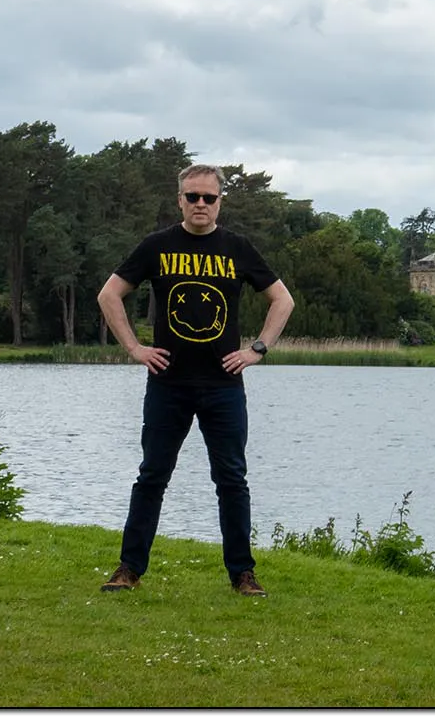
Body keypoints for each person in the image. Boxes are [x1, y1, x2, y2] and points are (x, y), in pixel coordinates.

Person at [97, 163, 295, 597]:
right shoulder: (157, 246)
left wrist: (257, 349)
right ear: (179, 199)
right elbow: (109, 294)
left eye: (209, 197)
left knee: (231, 480)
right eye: (193, 197)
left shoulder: (237, 248)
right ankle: (128, 569)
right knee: (152, 475)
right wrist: (135, 348)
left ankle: (243, 574)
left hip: (223, 387)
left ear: (221, 200)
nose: (200, 204)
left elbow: (282, 300)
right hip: (168, 384)